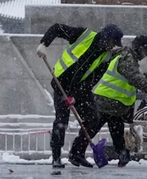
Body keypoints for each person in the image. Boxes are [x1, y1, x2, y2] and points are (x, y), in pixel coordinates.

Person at [68, 35, 147, 168]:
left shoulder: (125, 56)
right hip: (106, 100)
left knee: (113, 130)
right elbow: (136, 79)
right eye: (145, 51)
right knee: (94, 127)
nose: (145, 55)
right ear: (138, 48)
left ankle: (120, 155)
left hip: (114, 104)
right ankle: (78, 153)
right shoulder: (126, 58)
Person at [36, 23, 124, 169]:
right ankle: (56, 157)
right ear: (105, 37)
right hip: (61, 84)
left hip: (80, 88)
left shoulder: (106, 56)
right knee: (61, 121)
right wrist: (44, 44)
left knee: (93, 118)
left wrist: (76, 95)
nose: (112, 47)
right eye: (111, 42)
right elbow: (57, 28)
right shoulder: (84, 35)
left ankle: (76, 153)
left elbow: (94, 78)